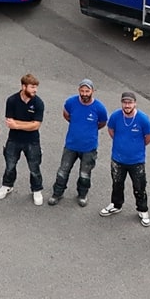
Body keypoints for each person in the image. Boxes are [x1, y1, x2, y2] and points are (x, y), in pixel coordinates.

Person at [52, 78, 109, 208]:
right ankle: (57, 193)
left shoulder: (99, 108)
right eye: (82, 91)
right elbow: (66, 115)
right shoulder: (71, 102)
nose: (84, 94)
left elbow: (102, 123)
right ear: (79, 90)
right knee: (63, 170)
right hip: (71, 145)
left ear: (92, 91)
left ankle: (82, 195)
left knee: (85, 173)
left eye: (87, 91)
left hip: (89, 148)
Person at [101, 92, 150, 226]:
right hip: (118, 159)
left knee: (139, 186)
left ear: (135, 103)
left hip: (136, 161)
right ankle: (116, 204)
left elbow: (148, 137)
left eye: (130, 102)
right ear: (122, 103)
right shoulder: (115, 116)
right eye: (125, 102)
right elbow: (111, 130)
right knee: (117, 183)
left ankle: (143, 210)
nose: (127, 105)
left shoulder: (143, 119)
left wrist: (136, 147)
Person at [0, 73, 47, 204]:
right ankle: (7, 185)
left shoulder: (39, 103)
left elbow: (36, 125)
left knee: (34, 168)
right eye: (32, 87)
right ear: (23, 87)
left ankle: (36, 190)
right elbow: (9, 122)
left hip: (32, 141)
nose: (35, 90)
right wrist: (26, 124)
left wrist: (17, 125)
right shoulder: (12, 100)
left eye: (36, 87)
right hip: (14, 140)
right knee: (10, 165)